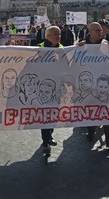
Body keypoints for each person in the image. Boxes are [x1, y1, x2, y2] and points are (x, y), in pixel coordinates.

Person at [77, 22, 109, 148]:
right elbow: (74, 58)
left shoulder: (107, 44)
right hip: (89, 84)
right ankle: (91, 130)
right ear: (90, 31)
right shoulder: (83, 44)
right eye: (97, 30)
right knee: (91, 110)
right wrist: (76, 47)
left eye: (101, 30)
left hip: (103, 83)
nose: (100, 32)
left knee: (106, 110)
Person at [37, 25, 63, 155]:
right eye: (55, 34)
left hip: (57, 88)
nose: (58, 36)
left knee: (54, 114)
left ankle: (50, 134)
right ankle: (46, 141)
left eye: (59, 34)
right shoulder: (39, 48)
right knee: (45, 115)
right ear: (47, 36)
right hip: (44, 88)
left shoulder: (62, 49)